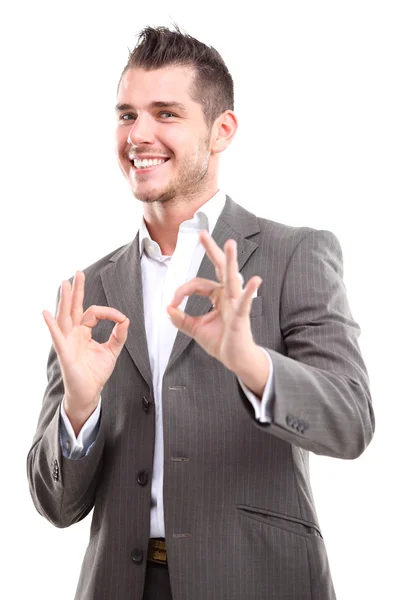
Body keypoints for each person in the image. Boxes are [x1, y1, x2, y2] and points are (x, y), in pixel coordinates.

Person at [27, 25, 375, 600]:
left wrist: (251, 363)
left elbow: (351, 423)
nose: (138, 134)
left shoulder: (295, 254)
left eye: (165, 114)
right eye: (126, 115)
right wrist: (80, 409)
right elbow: (56, 506)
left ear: (221, 131)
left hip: (257, 581)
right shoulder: (87, 291)